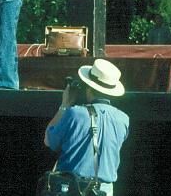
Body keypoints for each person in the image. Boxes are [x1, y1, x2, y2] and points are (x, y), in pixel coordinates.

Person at [44, 59, 130, 196]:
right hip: (104, 191)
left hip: (73, 188)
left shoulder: (75, 114)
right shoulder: (124, 120)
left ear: (89, 89)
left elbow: (48, 140)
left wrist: (65, 105)